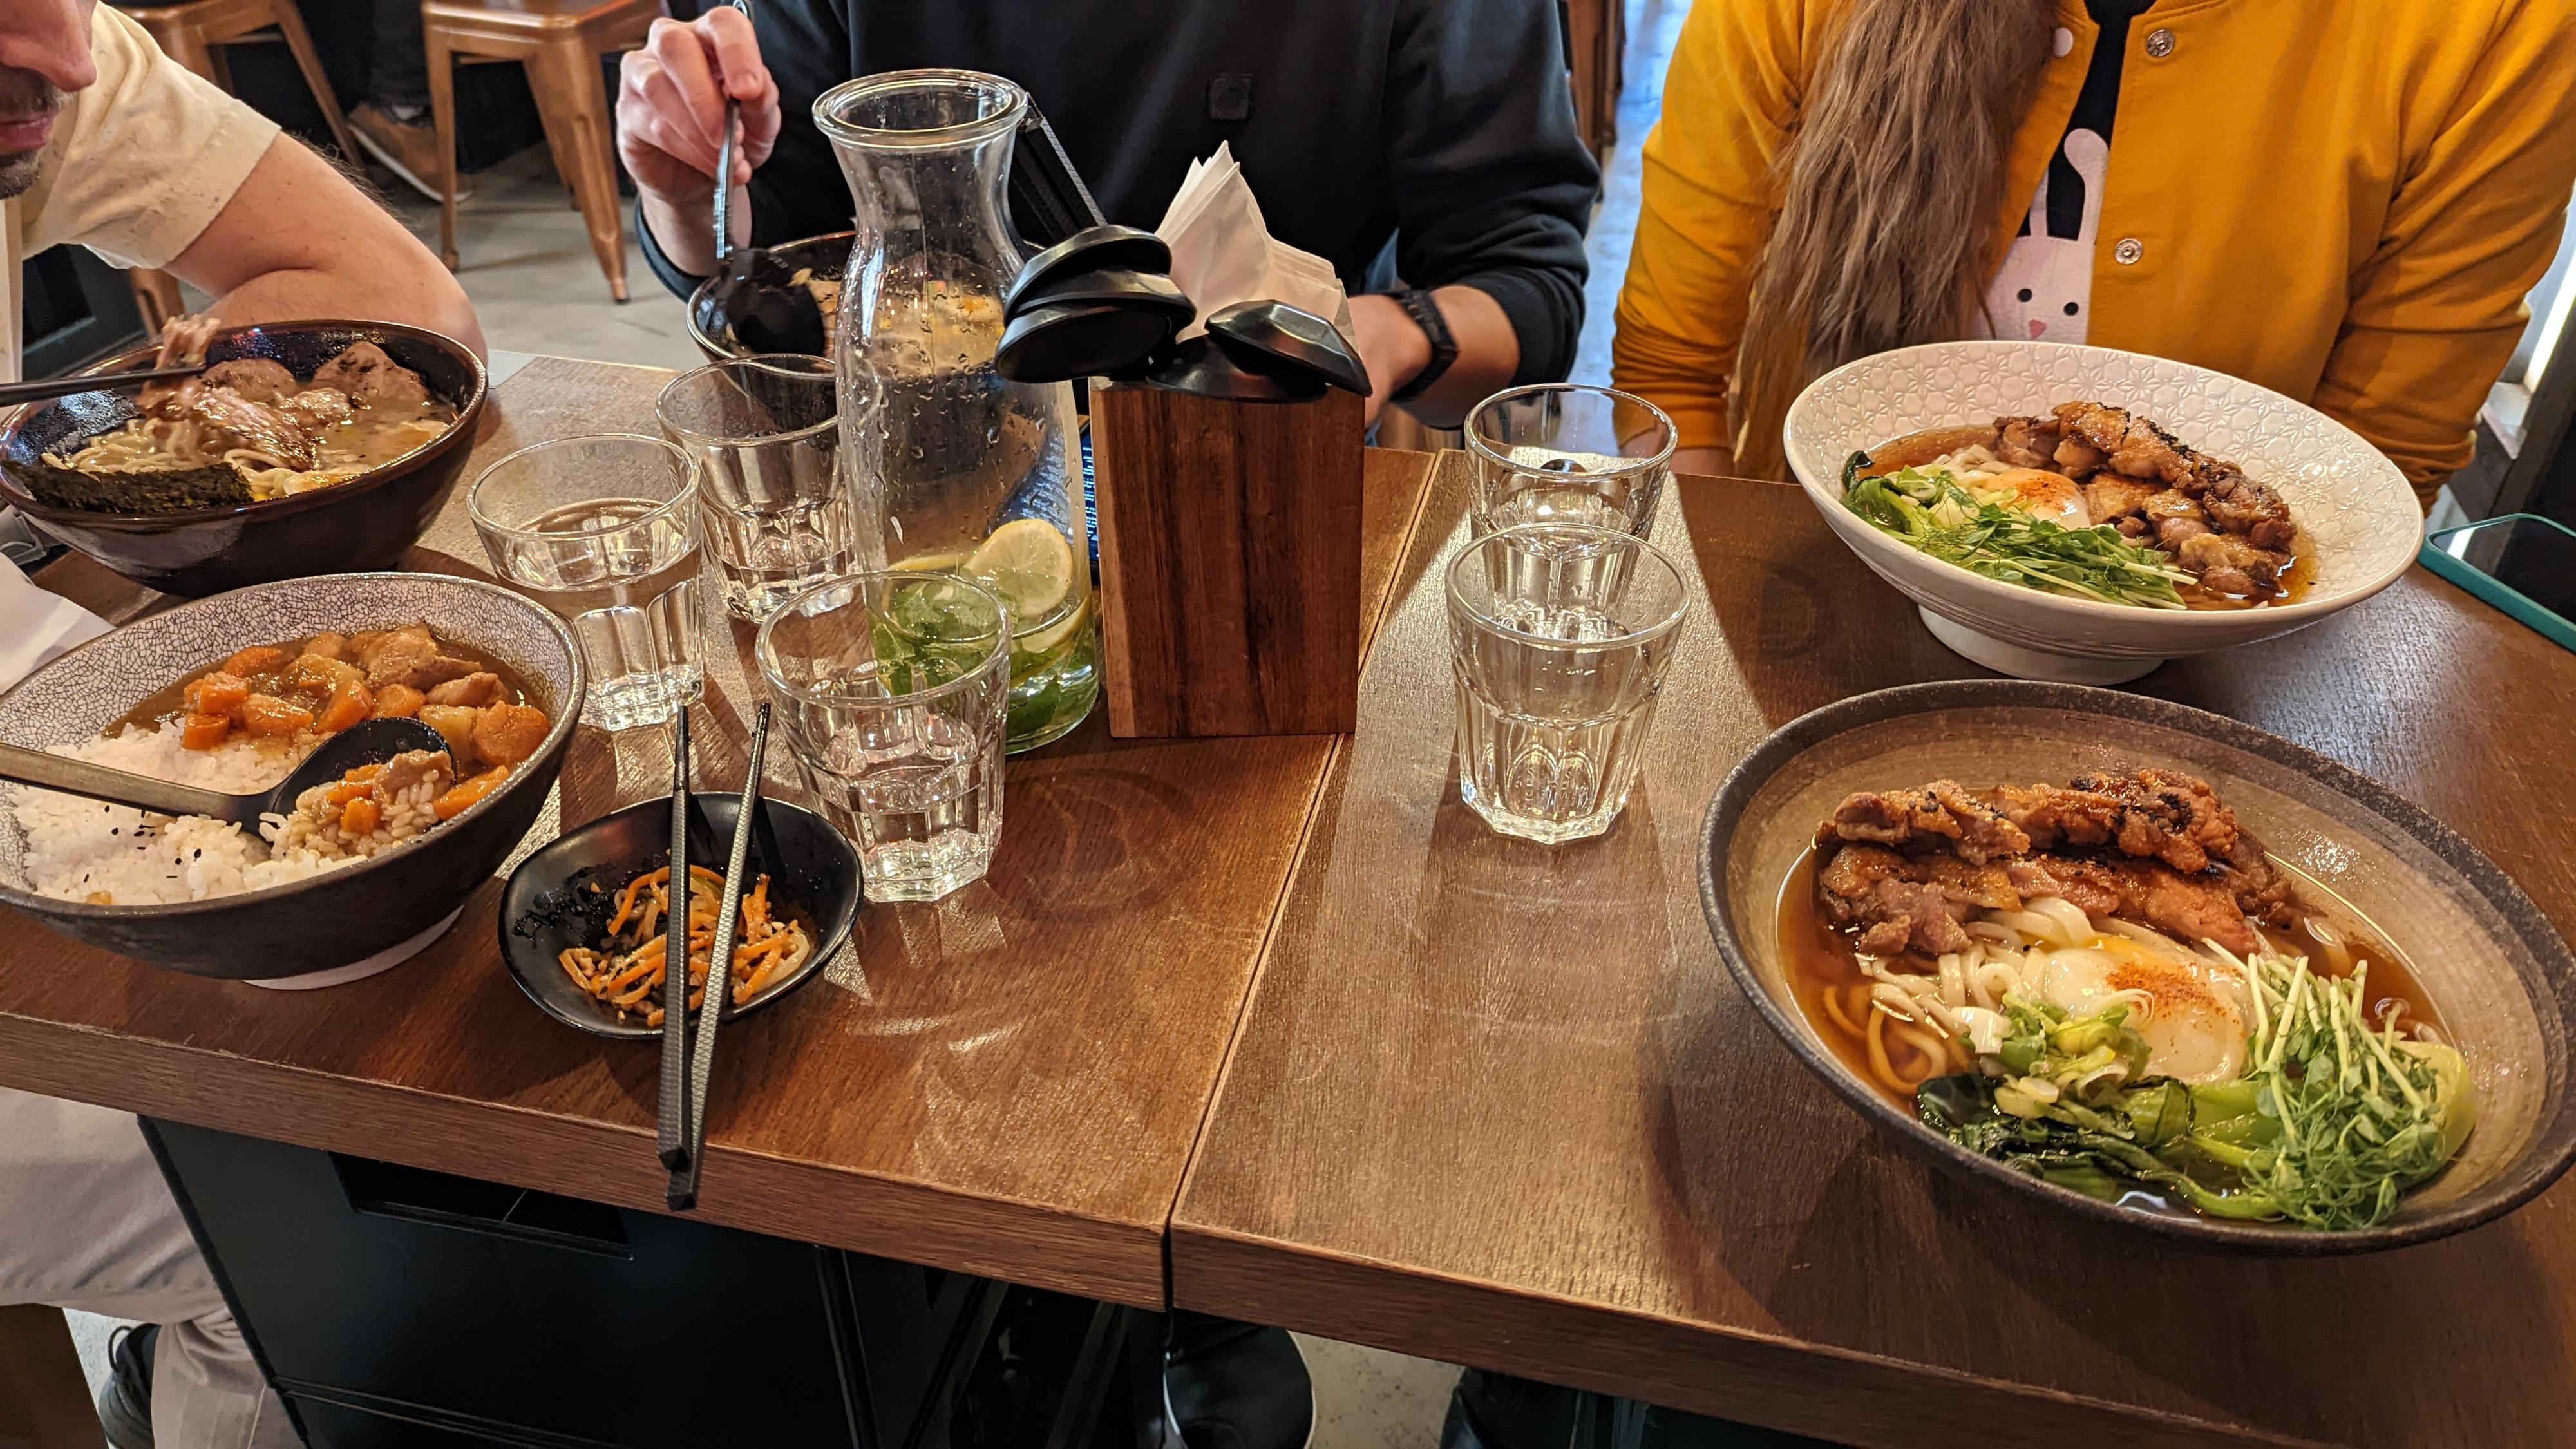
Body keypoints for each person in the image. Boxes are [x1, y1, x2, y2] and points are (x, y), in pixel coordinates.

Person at [0, 3, 479, 1446]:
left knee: (417, 1022)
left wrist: (219, 416)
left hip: (40, 724)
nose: (74, 62)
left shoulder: (40, 56)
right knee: (309, 1206)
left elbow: (408, 305)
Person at [1612, 0, 2576, 507]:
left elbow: (2368, 473)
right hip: (1822, 579)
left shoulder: (2498, 27)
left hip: (2206, 655)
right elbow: (1672, 372)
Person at [614, 1, 1599, 428]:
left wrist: (1385, 337)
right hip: (913, 475)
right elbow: (765, 257)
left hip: (1253, 466)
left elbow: (1526, 278)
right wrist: (684, 186)